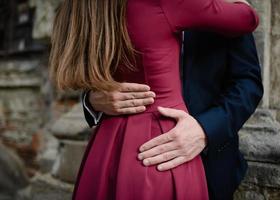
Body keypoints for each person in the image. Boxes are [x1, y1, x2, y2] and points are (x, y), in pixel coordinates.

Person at [49, 0, 260, 199]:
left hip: (211, 159)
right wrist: (93, 99)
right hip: (131, 153)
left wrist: (205, 130)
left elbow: (248, 83)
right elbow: (94, 64)